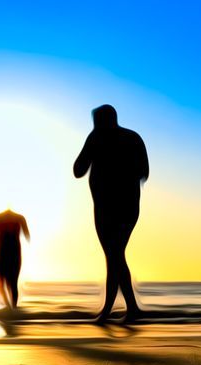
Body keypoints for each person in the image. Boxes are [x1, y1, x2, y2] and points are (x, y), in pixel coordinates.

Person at [73, 104, 148, 322]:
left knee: (113, 254)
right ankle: (128, 309)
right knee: (115, 255)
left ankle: (111, 310)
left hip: (107, 206)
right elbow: (144, 172)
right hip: (130, 206)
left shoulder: (96, 138)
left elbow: (78, 170)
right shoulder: (133, 137)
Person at [0, 208, 30, 309]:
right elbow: (27, 236)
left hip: (6, 251)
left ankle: (9, 308)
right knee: (11, 283)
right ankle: (12, 309)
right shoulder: (19, 218)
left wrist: (2, 228)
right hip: (12, 251)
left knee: (3, 281)